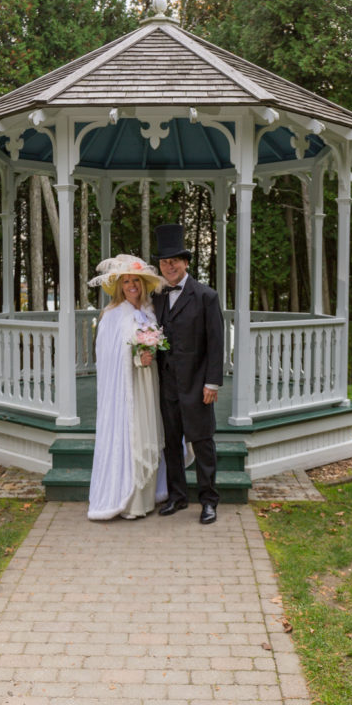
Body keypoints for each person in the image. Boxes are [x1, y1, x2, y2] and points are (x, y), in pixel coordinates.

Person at [152, 224, 224, 525]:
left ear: (186, 262)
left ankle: (208, 501)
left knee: (202, 442)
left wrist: (212, 382)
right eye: (165, 262)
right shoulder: (155, 296)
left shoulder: (205, 296)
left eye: (175, 261)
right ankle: (177, 497)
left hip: (197, 384)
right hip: (165, 384)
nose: (170, 266)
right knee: (172, 442)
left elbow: (217, 342)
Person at [87, 254, 168, 521]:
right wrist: (136, 358)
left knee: (148, 432)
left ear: (142, 284)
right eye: (126, 281)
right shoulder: (112, 316)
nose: (131, 285)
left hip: (147, 384)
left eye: (135, 280)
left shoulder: (148, 311)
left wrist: (150, 354)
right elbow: (108, 355)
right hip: (127, 386)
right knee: (131, 435)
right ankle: (131, 502)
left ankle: (148, 498)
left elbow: (154, 342)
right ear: (119, 286)